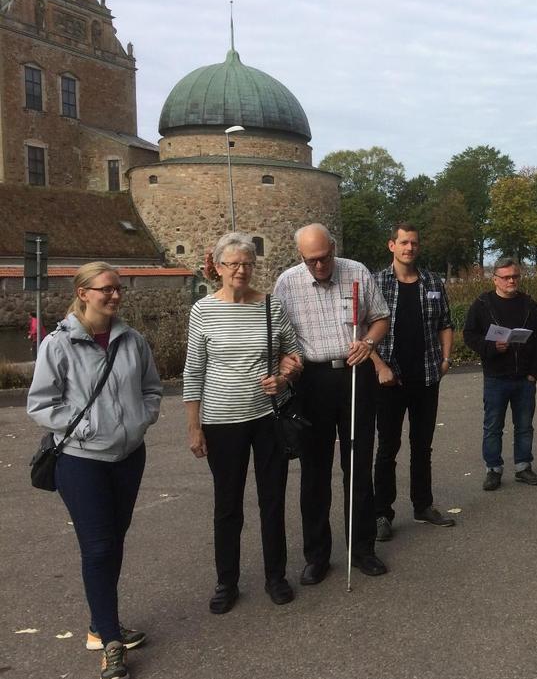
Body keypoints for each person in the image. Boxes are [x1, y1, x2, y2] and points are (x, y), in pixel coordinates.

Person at [27, 262, 162, 679]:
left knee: (113, 540)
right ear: (83, 293)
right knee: (99, 547)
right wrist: (85, 427)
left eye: (119, 289)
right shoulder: (59, 344)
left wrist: (142, 419)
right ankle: (110, 644)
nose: (115, 296)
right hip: (81, 460)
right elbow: (41, 403)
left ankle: (100, 622)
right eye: (106, 289)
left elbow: (152, 387)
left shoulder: (131, 339)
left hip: (128, 456)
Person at [184, 233, 303, 614]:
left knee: (272, 499)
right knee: (227, 504)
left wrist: (285, 375)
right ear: (217, 267)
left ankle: (275, 576)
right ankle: (226, 581)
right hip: (221, 420)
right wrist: (194, 425)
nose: (241, 270)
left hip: (268, 416)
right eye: (233, 263)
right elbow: (193, 371)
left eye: (247, 264)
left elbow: (294, 353)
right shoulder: (203, 311)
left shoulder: (271, 306)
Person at [274, 224, 391, 583]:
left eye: (325, 257)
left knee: (357, 463)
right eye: (312, 260)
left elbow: (381, 318)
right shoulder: (287, 283)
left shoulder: (356, 271)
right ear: (301, 257)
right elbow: (278, 336)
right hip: (311, 380)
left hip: (354, 374)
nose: (320, 265)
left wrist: (369, 343)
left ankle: (363, 547)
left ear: (334, 248)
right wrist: (285, 362)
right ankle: (317, 555)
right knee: (314, 471)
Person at [371, 223, 456, 541]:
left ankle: (423, 505)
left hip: (426, 376)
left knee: (423, 447)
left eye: (414, 243)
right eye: (404, 242)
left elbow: (446, 322)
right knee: (387, 449)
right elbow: (364, 333)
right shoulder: (376, 281)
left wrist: (445, 359)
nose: (410, 248)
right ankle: (382, 513)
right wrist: (378, 365)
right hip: (389, 380)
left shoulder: (433, 281)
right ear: (391, 245)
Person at [463, 257, 537, 490]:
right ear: (495, 279)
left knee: (524, 425)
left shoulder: (529, 304)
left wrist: (535, 373)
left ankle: (523, 467)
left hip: (524, 378)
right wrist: (490, 347)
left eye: (515, 276)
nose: (511, 280)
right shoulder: (482, 304)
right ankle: (493, 469)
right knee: (492, 426)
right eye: (506, 277)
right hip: (495, 377)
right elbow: (469, 334)